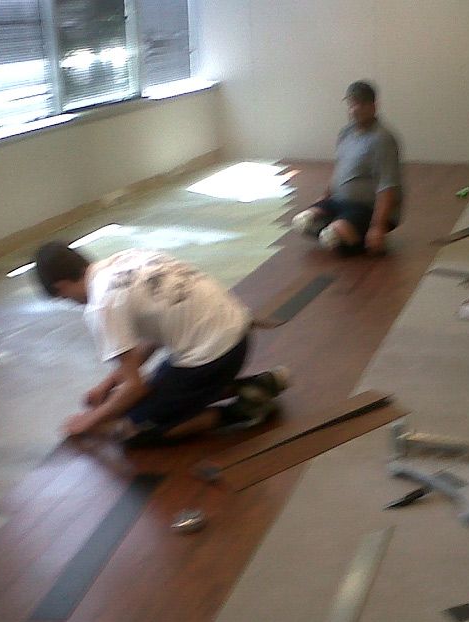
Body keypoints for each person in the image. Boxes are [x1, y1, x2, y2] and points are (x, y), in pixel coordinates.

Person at [33, 242, 288, 445]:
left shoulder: (101, 305)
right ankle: (255, 386)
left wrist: (87, 422)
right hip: (237, 335)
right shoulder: (128, 259)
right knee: (148, 397)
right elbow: (152, 341)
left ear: (62, 285)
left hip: (213, 356)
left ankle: (243, 411)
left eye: (64, 297)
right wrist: (108, 384)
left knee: (132, 430)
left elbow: (136, 387)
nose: (71, 302)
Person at [291, 80, 402, 254]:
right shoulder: (346, 133)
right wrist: (324, 199)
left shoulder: (383, 140)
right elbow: (340, 170)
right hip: (339, 201)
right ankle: (346, 230)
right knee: (302, 222)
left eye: (360, 104)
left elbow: (387, 186)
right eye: (352, 104)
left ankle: (363, 235)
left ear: (373, 106)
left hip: (365, 207)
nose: (354, 109)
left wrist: (378, 226)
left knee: (331, 238)